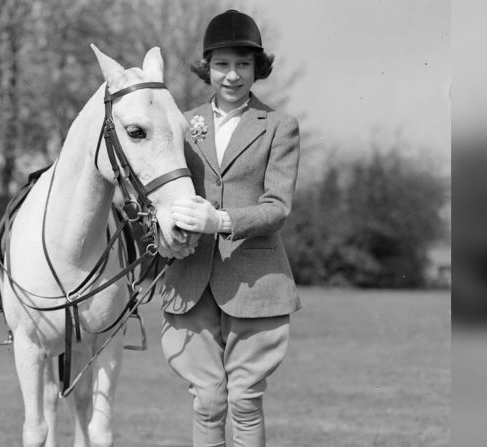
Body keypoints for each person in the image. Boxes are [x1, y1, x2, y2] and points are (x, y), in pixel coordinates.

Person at [160, 9, 301, 447]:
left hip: (254, 280)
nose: (233, 75)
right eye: (222, 64)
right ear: (208, 67)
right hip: (190, 277)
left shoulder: (280, 126)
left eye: (243, 64)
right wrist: (171, 236)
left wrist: (219, 221)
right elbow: (162, 197)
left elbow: (277, 207)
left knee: (243, 400)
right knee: (207, 400)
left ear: (257, 68)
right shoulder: (181, 123)